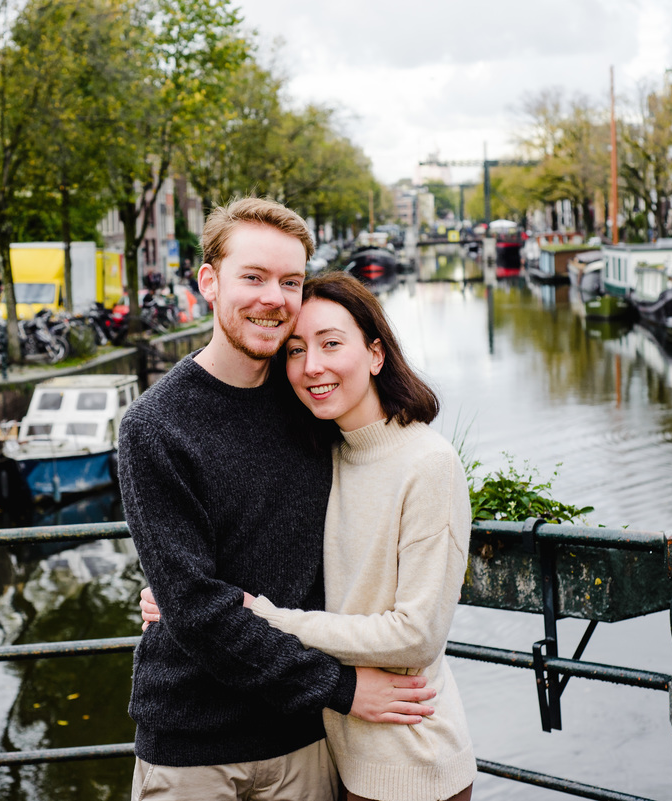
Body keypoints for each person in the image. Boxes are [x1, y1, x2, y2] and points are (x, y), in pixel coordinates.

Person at [118, 197, 436, 801]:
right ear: (209, 282)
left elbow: (386, 462)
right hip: (193, 746)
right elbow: (197, 608)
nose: (274, 298)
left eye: (290, 281)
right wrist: (342, 688)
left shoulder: (311, 400)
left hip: (302, 740)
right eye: (254, 277)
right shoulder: (154, 427)